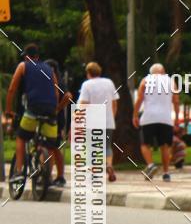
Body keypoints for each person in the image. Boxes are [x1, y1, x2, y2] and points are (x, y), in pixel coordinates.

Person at [4, 44, 67, 187]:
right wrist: (54, 109)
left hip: (33, 108)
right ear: (38, 57)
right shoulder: (50, 70)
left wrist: (8, 110)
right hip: (51, 110)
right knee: (49, 145)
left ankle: (19, 171)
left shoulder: (23, 66)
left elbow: (12, 89)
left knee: (21, 137)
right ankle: (47, 174)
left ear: (26, 57)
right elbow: (57, 92)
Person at [133, 63, 180, 181]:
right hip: (166, 119)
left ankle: (150, 165)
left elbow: (139, 99)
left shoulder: (145, 80)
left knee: (145, 144)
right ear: (163, 70)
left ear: (151, 72)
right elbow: (176, 100)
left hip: (148, 118)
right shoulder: (171, 81)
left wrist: (135, 115)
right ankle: (166, 173)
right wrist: (177, 118)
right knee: (165, 146)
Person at [78, 61, 119, 182]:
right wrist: (112, 116)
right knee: (107, 146)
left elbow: (83, 104)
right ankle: (109, 165)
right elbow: (115, 103)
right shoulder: (109, 83)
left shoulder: (87, 85)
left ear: (88, 73)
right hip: (108, 120)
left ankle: (94, 172)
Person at [45, 59, 72, 187]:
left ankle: (55, 175)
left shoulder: (58, 83)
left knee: (52, 147)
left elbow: (68, 96)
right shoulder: (49, 82)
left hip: (55, 119)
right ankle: (53, 175)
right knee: (50, 147)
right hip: (51, 118)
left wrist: (58, 109)